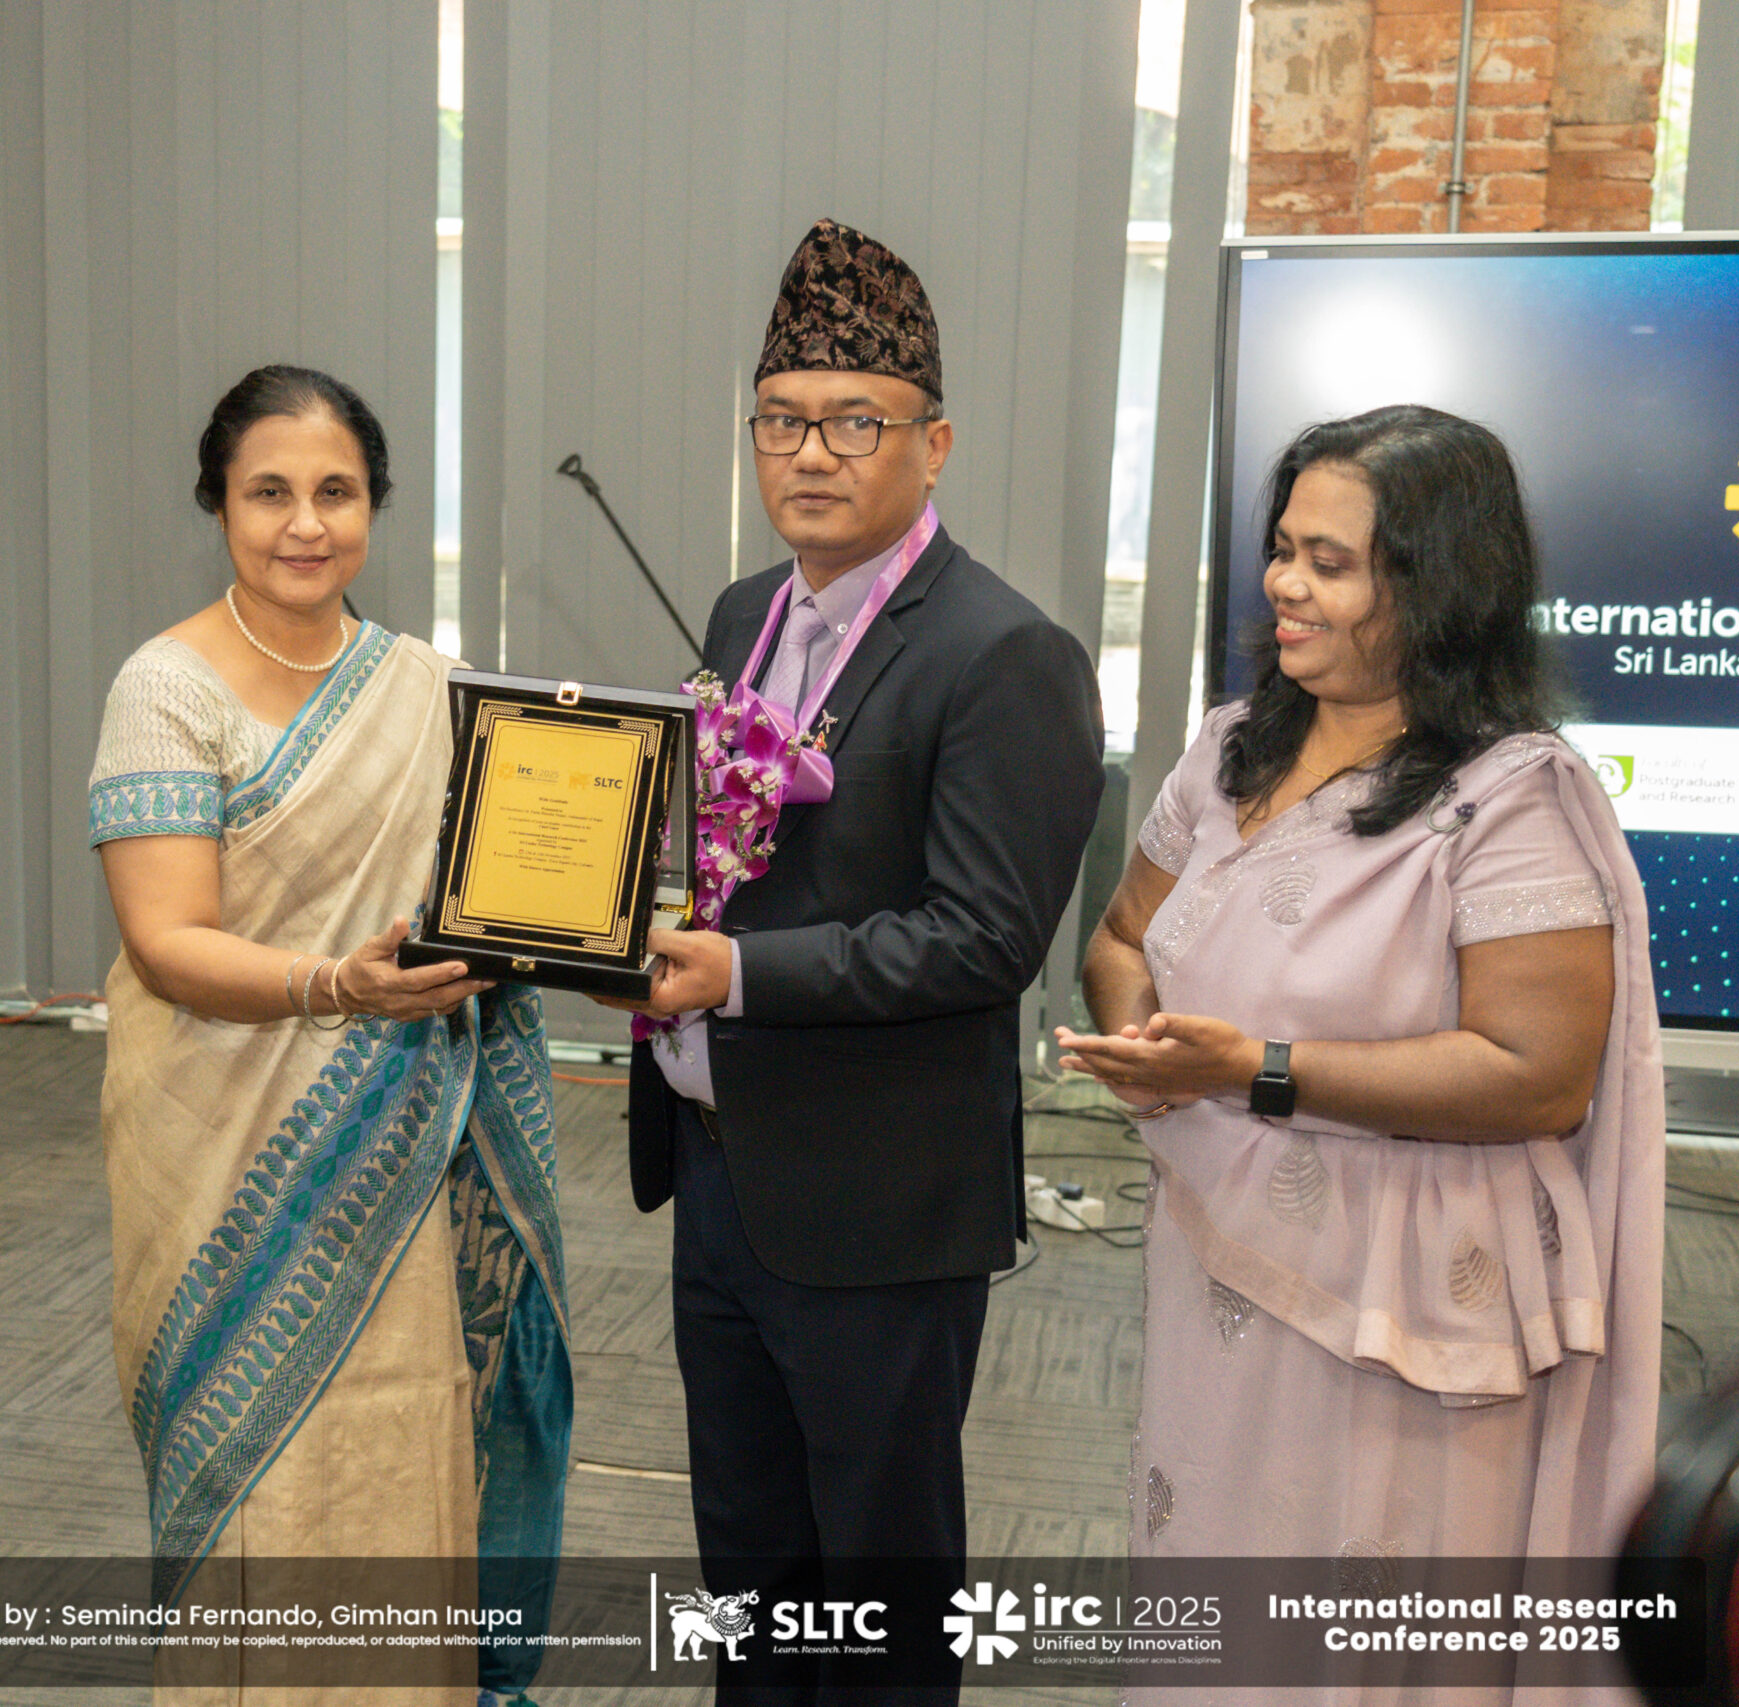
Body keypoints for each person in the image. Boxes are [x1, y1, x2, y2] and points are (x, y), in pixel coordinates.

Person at [1056, 406, 1664, 1681]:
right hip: (1214, 1270)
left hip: (1404, 1316)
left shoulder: (1508, 800)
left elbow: (1536, 1077)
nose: (1285, 584)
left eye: (1328, 563)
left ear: (1436, 589)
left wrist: (1254, 1072)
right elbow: (1118, 937)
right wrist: (1145, 1054)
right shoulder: (1229, 750)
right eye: (1283, 550)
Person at [620, 218, 1103, 1702]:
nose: (810, 454)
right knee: (748, 1568)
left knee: (879, 1595)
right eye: (781, 419)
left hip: (878, 1202)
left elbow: (986, 937)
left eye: (855, 422)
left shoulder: (1004, 653)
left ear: (933, 444)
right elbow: (718, 852)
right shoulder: (742, 613)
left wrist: (738, 978)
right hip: (720, 1171)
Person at [91, 364, 570, 1707]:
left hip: (416, 1160)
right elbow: (166, 939)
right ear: (219, 503)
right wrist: (337, 987)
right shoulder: (165, 686)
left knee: (413, 1443)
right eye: (270, 493)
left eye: (336, 493)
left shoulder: (433, 687)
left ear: (375, 505)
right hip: (225, 1160)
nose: (305, 524)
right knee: (263, 1475)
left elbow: (510, 900)